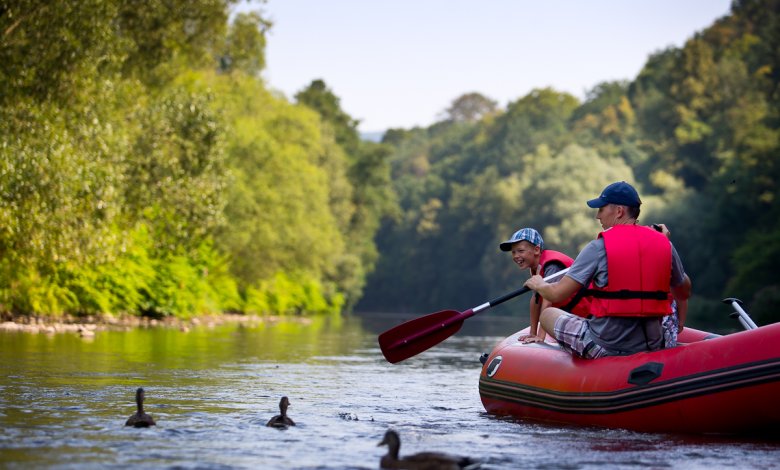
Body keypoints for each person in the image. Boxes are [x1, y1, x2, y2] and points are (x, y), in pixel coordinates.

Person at [524, 181, 691, 358]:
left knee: (548, 314)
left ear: (619, 211)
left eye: (601, 209)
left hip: (604, 346)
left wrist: (539, 284)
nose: (597, 216)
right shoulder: (664, 244)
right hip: (652, 343)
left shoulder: (598, 247)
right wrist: (665, 247)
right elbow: (683, 292)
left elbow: (557, 294)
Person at [499, 227, 590, 343]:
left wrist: (540, 337)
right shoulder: (535, 269)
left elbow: (547, 301)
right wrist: (532, 333)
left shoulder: (552, 267)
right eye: (513, 252)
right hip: (569, 315)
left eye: (520, 251)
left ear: (536, 250)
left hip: (587, 317)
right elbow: (536, 300)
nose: (516, 256)